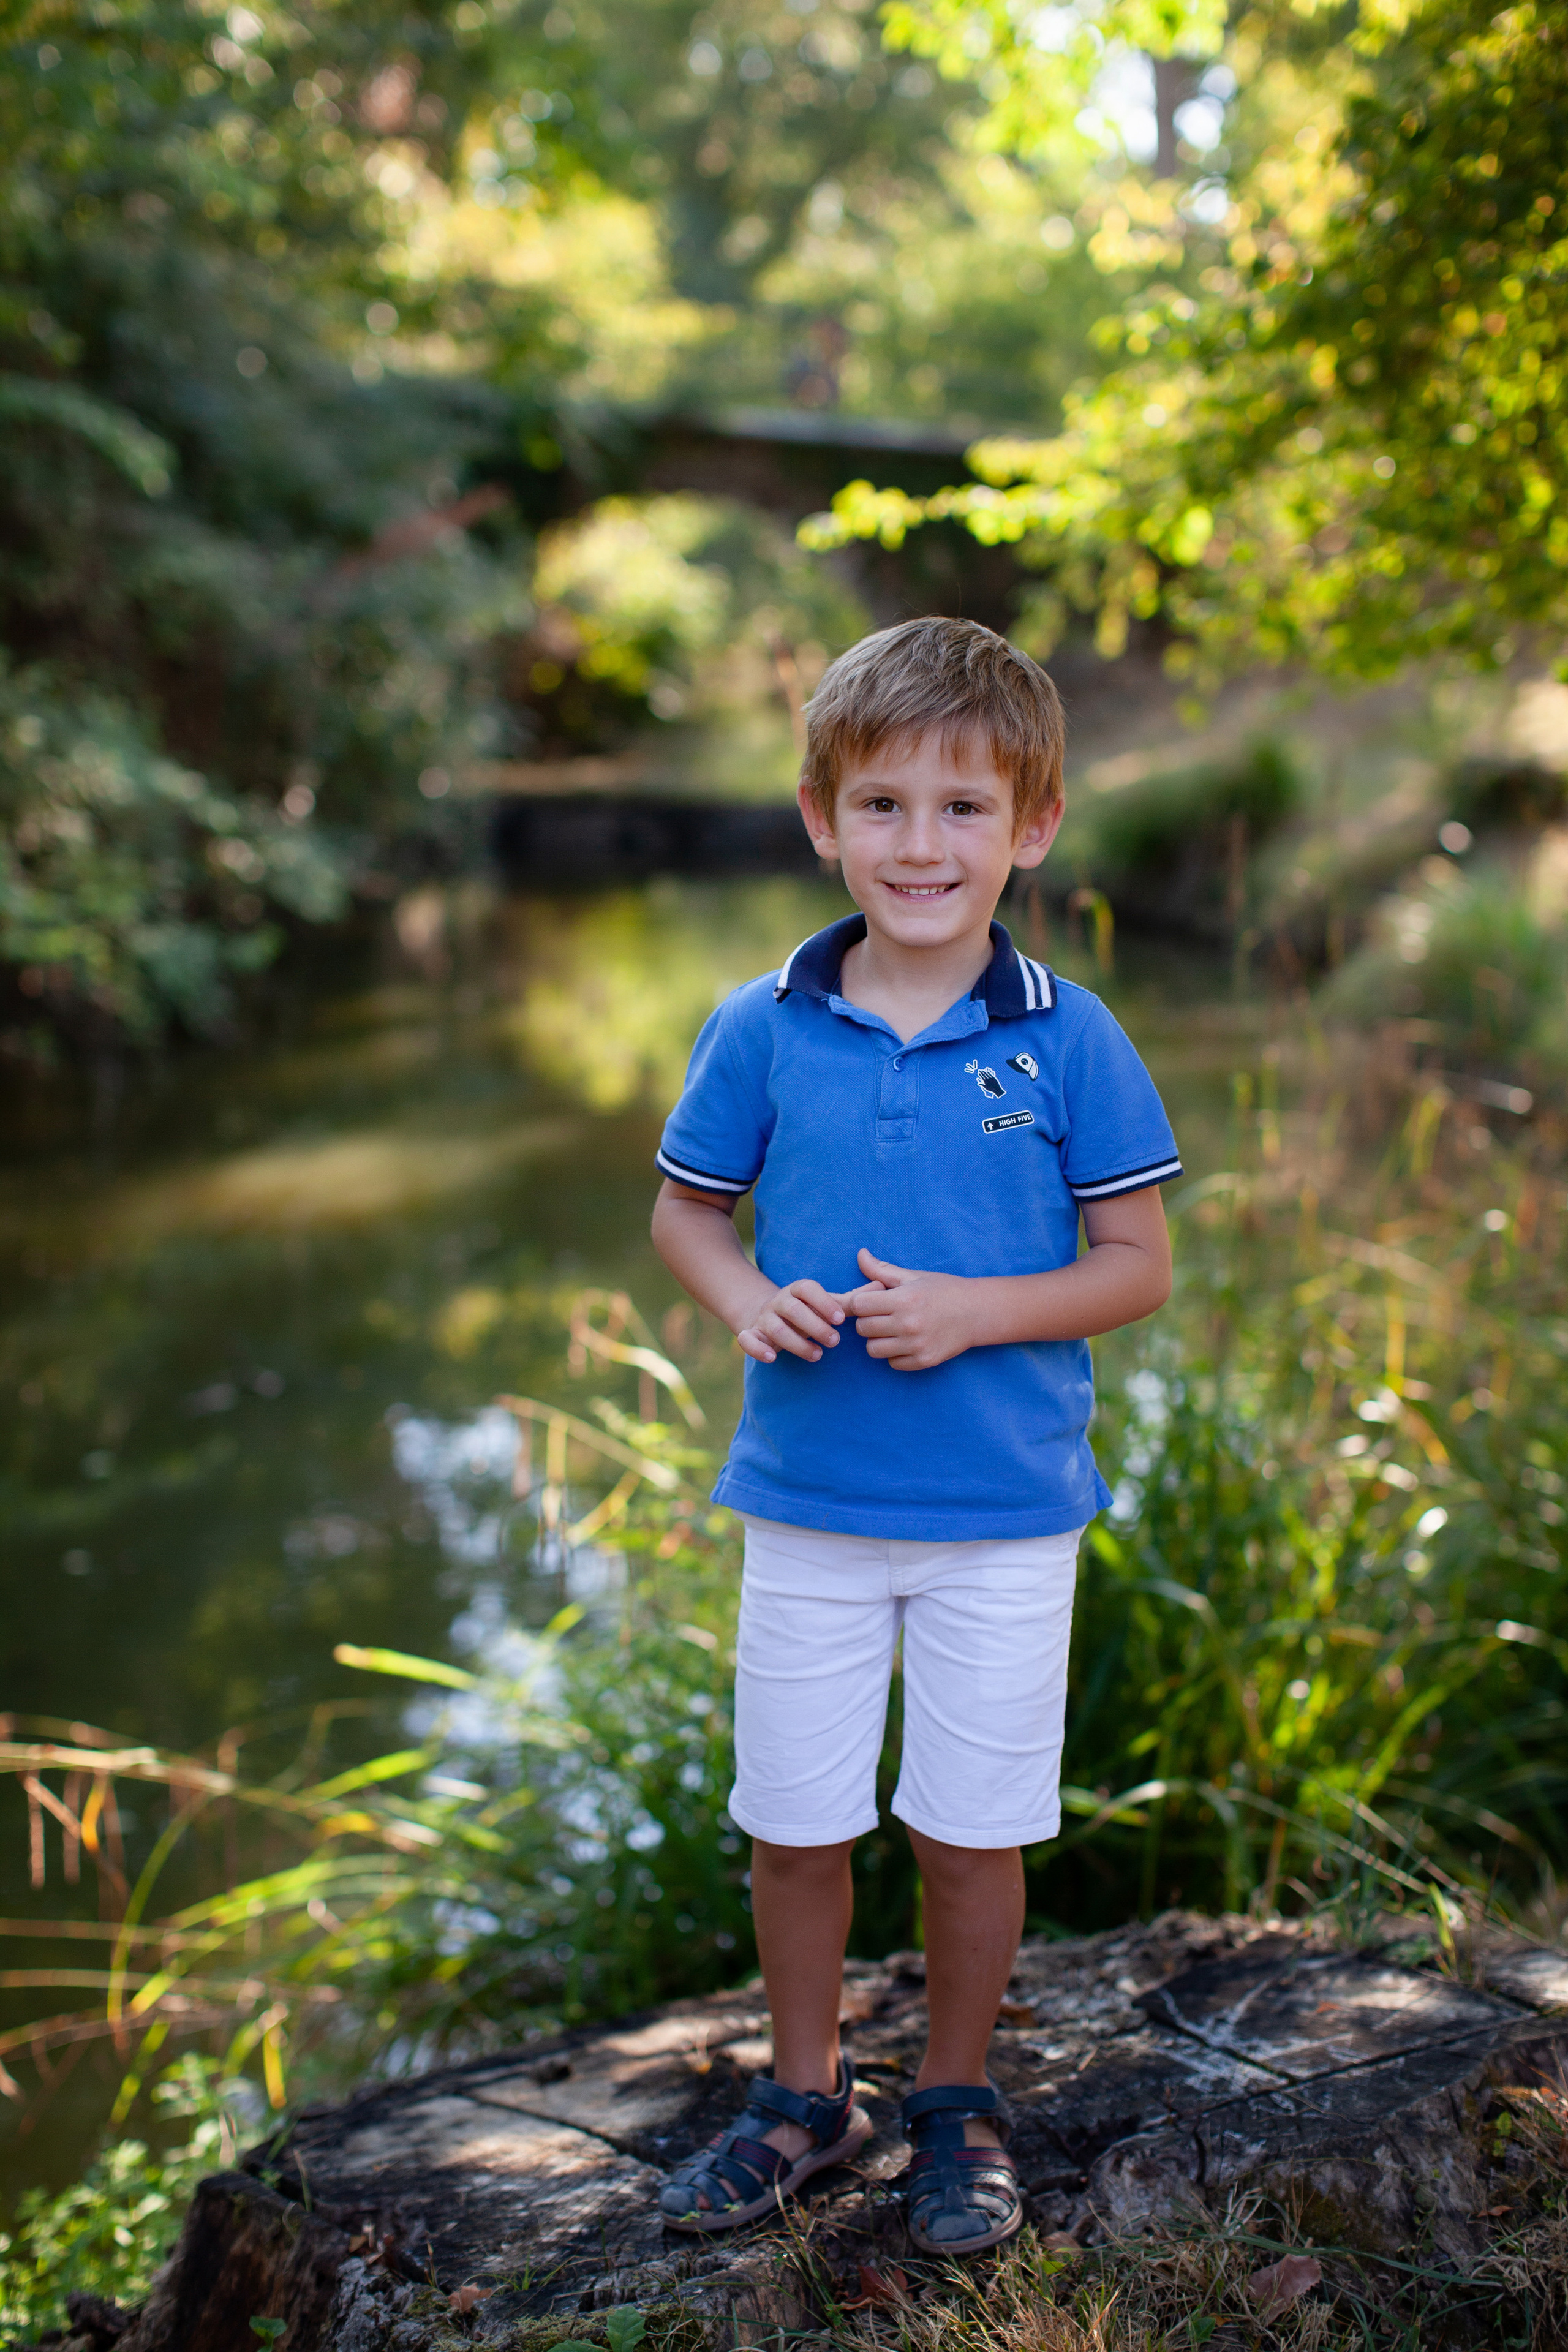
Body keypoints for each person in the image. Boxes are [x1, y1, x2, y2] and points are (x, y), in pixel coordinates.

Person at [649, 617, 1180, 2252]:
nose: (921, 844)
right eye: (882, 804)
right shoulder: (762, 1024)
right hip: (808, 1503)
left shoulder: (1070, 1035)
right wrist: (747, 1300)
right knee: (795, 1820)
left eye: (964, 808)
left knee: (970, 1827)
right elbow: (688, 1214)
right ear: (823, 819)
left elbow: (1137, 1267)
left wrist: (972, 1311)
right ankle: (807, 2094)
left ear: (1034, 827)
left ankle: (954, 2096)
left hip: (1003, 1516)